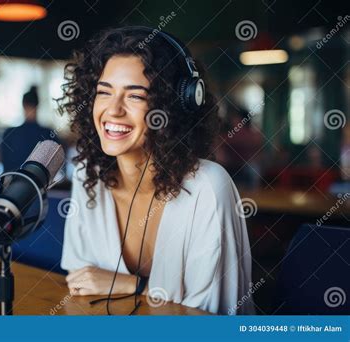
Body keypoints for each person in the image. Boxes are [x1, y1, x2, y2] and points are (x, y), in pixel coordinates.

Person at [57, 26, 254, 315]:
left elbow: (209, 319)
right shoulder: (89, 174)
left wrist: (134, 285)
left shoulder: (209, 188)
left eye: (135, 96)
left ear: (173, 106)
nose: (113, 110)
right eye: (104, 92)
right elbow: (82, 284)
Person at [1, 86, 56, 171]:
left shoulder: (9, 133)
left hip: (13, 182)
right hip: (41, 183)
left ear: (23, 105)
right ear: (38, 106)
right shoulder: (49, 134)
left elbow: (6, 169)